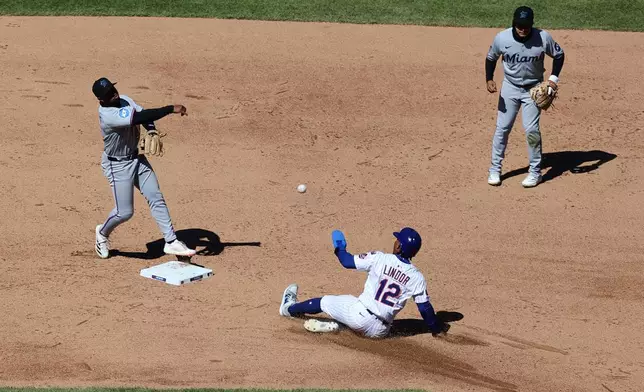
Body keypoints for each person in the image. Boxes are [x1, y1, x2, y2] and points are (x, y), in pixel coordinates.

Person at [92, 77, 196, 259]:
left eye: (113, 89)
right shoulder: (109, 115)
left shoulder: (124, 99)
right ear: (102, 100)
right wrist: (170, 109)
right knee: (124, 212)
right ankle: (102, 233)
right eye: (109, 94)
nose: (115, 94)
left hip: (136, 159)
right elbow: (141, 117)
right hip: (118, 166)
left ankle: (171, 242)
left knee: (155, 196)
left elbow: (144, 114)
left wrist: (152, 130)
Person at [278, 228, 450, 338]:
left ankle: (288, 309)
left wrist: (340, 248)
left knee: (323, 302)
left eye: (397, 240)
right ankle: (338, 327)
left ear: (399, 247)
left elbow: (346, 262)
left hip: (358, 315)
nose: (395, 241)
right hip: (380, 332)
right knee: (357, 316)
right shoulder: (417, 277)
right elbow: (425, 309)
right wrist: (435, 329)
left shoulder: (380, 258)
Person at [485, 6, 565, 188]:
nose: (523, 29)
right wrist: (489, 79)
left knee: (532, 130)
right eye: (519, 25)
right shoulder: (502, 38)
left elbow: (559, 55)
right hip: (510, 88)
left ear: (532, 24)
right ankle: (494, 169)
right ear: (514, 23)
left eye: (526, 25)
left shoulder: (543, 37)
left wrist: (552, 79)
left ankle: (535, 173)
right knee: (502, 128)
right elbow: (491, 58)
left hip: (533, 89)